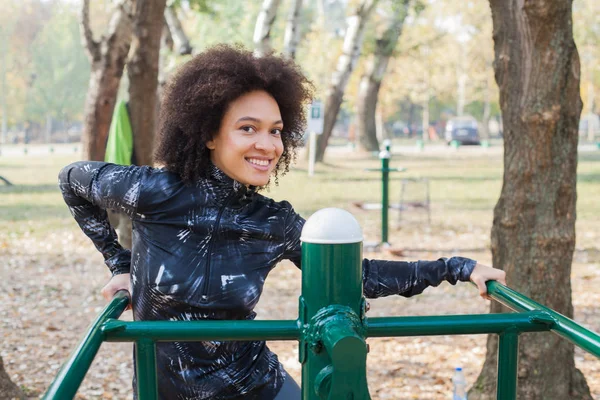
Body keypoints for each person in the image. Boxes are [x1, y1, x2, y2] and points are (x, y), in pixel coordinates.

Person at [58, 44, 506, 400]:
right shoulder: (155, 192)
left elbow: (361, 276)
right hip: (166, 390)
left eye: (275, 130)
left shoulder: (274, 221)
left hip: (256, 385)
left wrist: (457, 268)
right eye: (248, 128)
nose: (267, 144)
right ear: (210, 134)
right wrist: (119, 263)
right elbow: (72, 180)